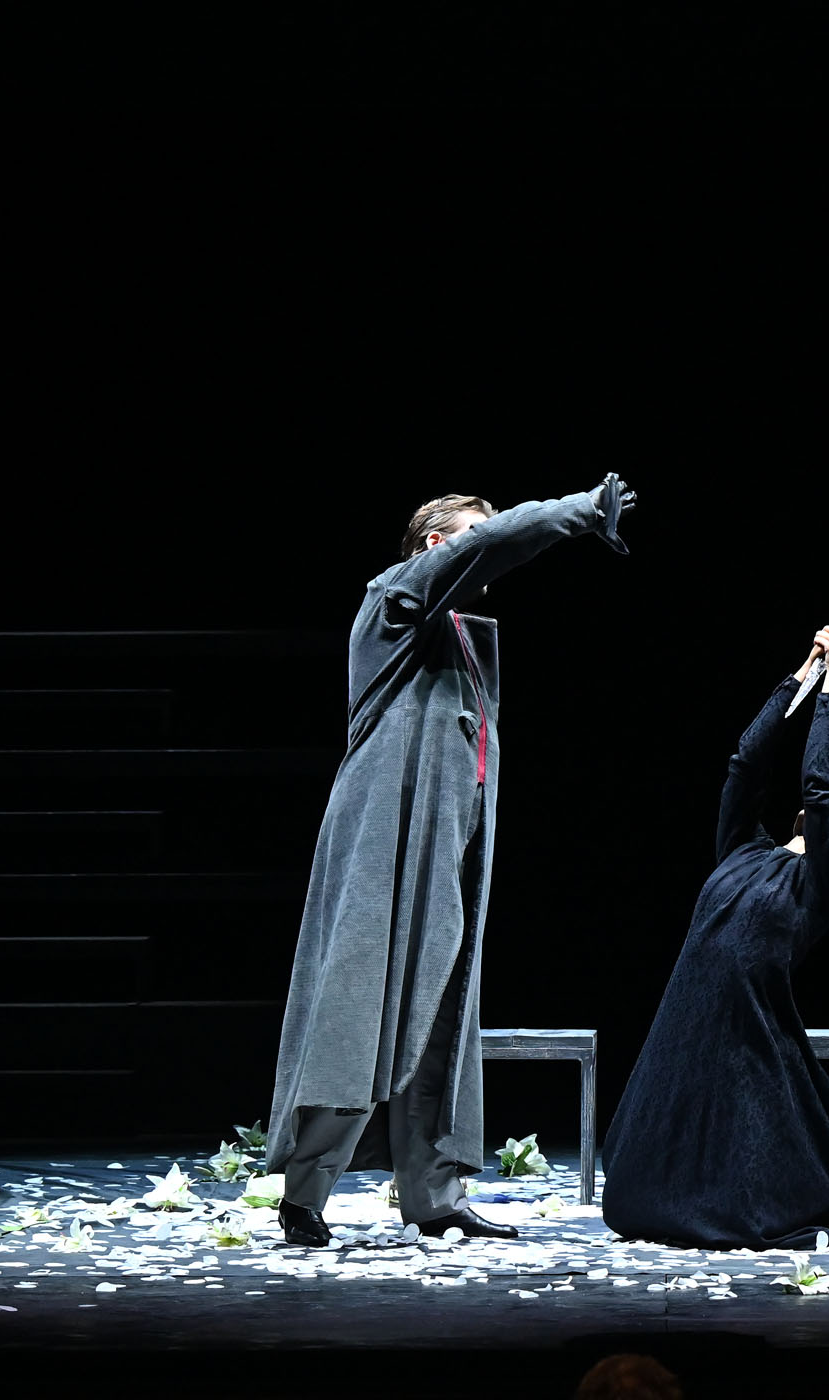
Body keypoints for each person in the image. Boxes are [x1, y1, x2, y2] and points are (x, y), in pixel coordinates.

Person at [263, 476, 636, 1247]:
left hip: (449, 833)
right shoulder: (396, 596)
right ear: (436, 545)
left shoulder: (458, 632)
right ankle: (305, 1193)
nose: (485, 549)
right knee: (361, 1002)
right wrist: (576, 513)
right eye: (470, 535)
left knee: (440, 1005)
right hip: (385, 831)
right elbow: (495, 543)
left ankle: (434, 1196)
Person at [601, 620, 829, 1250]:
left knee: (748, 1173)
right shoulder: (743, 850)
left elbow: (821, 788)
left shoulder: (827, 881)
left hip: (748, 1020)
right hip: (690, 1018)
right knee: (647, 1177)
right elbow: (746, 761)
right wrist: (801, 677)